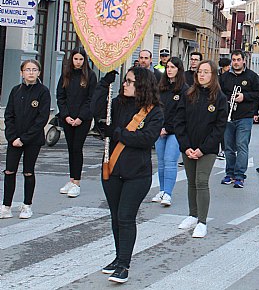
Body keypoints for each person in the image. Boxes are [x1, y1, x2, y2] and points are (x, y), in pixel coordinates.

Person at [92, 67, 163, 283]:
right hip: (113, 169)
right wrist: (104, 84)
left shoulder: (155, 111)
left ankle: (124, 265)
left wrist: (116, 132)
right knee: (115, 217)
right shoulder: (117, 104)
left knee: (125, 217)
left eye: (130, 81)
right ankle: (117, 258)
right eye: (125, 80)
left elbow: (145, 139)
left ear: (141, 85)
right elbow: (95, 110)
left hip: (137, 174)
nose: (125, 84)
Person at [174, 60, 228, 238]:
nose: (202, 75)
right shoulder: (188, 94)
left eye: (206, 72)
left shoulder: (219, 98)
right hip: (188, 146)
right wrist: (186, 146)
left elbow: (219, 128)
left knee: (201, 181)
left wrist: (203, 149)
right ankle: (192, 214)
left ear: (213, 75)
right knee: (191, 181)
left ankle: (202, 221)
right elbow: (179, 121)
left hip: (207, 149)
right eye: (199, 72)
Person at [1, 59, 51, 220]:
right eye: (27, 69)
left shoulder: (43, 92)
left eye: (34, 69)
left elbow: (41, 119)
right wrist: (12, 137)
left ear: (39, 72)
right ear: (21, 72)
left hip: (32, 140)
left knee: (28, 171)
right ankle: (6, 206)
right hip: (14, 139)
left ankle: (27, 205)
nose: (31, 72)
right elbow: (9, 115)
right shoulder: (15, 91)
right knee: (9, 171)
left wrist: (24, 138)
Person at [219, 50, 259, 188]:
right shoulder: (225, 77)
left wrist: (244, 97)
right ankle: (229, 173)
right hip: (228, 116)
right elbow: (219, 94)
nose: (236, 62)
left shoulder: (252, 76)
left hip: (245, 116)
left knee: (242, 146)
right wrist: (229, 99)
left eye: (239, 59)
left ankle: (239, 176)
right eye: (234, 60)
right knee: (228, 148)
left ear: (244, 60)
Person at [57, 48, 97, 198]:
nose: (78, 62)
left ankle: (77, 182)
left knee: (77, 148)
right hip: (68, 118)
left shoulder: (90, 76)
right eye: (76, 59)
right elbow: (60, 96)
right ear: (71, 60)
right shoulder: (66, 75)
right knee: (70, 148)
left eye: (81, 59)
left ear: (85, 60)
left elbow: (91, 99)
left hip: (82, 119)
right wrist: (66, 115)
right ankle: (71, 179)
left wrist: (81, 117)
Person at [152, 57, 189, 207]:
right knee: (160, 162)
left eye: (173, 67)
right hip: (160, 130)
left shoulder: (184, 89)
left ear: (179, 70)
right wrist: (158, 127)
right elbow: (156, 108)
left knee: (170, 161)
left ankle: (168, 193)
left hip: (175, 131)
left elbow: (181, 113)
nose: (169, 70)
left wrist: (168, 128)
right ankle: (161, 190)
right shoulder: (161, 87)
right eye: (168, 67)